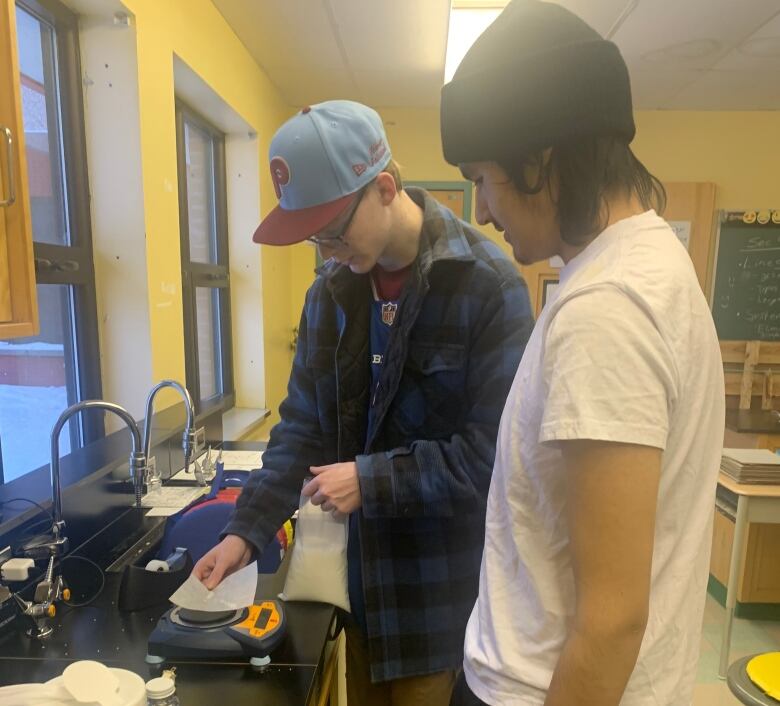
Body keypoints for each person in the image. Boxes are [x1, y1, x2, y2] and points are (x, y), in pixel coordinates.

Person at [193, 100, 533, 705]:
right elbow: (299, 429)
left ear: (383, 187)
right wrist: (245, 533)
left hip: (439, 601)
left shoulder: (488, 285)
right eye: (314, 238)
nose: (326, 252)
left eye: (333, 232)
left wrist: (371, 481)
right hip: (356, 593)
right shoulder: (330, 294)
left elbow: (493, 458)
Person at [440, 2, 725, 705]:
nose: (479, 210)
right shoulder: (646, 264)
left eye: (481, 176)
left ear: (541, 158)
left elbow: (612, 622)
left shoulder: (608, 308)